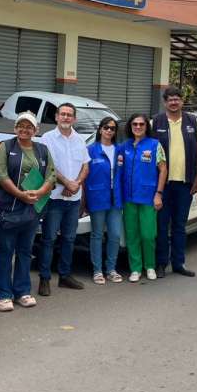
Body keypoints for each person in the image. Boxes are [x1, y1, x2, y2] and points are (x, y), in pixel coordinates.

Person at [0, 112, 56, 311]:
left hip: (32, 208)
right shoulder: (6, 147)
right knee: (5, 250)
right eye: (21, 126)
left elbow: (51, 175)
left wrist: (40, 192)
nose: (24, 130)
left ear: (36, 130)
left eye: (29, 127)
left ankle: (22, 291)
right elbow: (1, 175)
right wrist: (20, 194)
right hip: (10, 208)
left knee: (25, 251)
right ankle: (3, 295)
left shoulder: (42, 150)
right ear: (15, 128)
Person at [37, 102, 90, 296]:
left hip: (73, 199)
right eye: (63, 114)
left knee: (69, 238)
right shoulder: (47, 139)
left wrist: (76, 184)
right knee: (49, 239)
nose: (66, 117)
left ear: (74, 119)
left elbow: (85, 166)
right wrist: (67, 183)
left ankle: (65, 276)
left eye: (69, 115)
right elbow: (48, 166)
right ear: (56, 117)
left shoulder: (80, 140)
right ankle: (44, 278)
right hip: (54, 198)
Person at [152, 86, 197, 278]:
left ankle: (179, 263)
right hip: (162, 185)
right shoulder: (156, 122)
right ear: (165, 102)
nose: (174, 102)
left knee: (180, 226)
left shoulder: (192, 121)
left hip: (185, 183)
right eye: (170, 99)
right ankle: (161, 263)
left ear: (182, 101)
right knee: (161, 226)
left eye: (177, 99)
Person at [119, 114, 167, 281]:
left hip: (148, 197)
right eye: (135, 124)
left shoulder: (155, 145)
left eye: (141, 124)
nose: (138, 127)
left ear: (146, 126)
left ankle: (150, 266)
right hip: (128, 198)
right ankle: (135, 269)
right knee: (132, 235)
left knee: (148, 234)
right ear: (130, 126)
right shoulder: (124, 146)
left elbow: (163, 170)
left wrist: (158, 194)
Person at [85, 116, 123, 284]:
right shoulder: (90, 150)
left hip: (116, 198)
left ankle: (111, 269)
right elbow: (84, 175)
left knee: (115, 234)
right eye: (106, 127)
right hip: (97, 197)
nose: (109, 130)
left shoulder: (120, 150)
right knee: (97, 234)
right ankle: (97, 270)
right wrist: (84, 201)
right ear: (100, 129)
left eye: (112, 128)